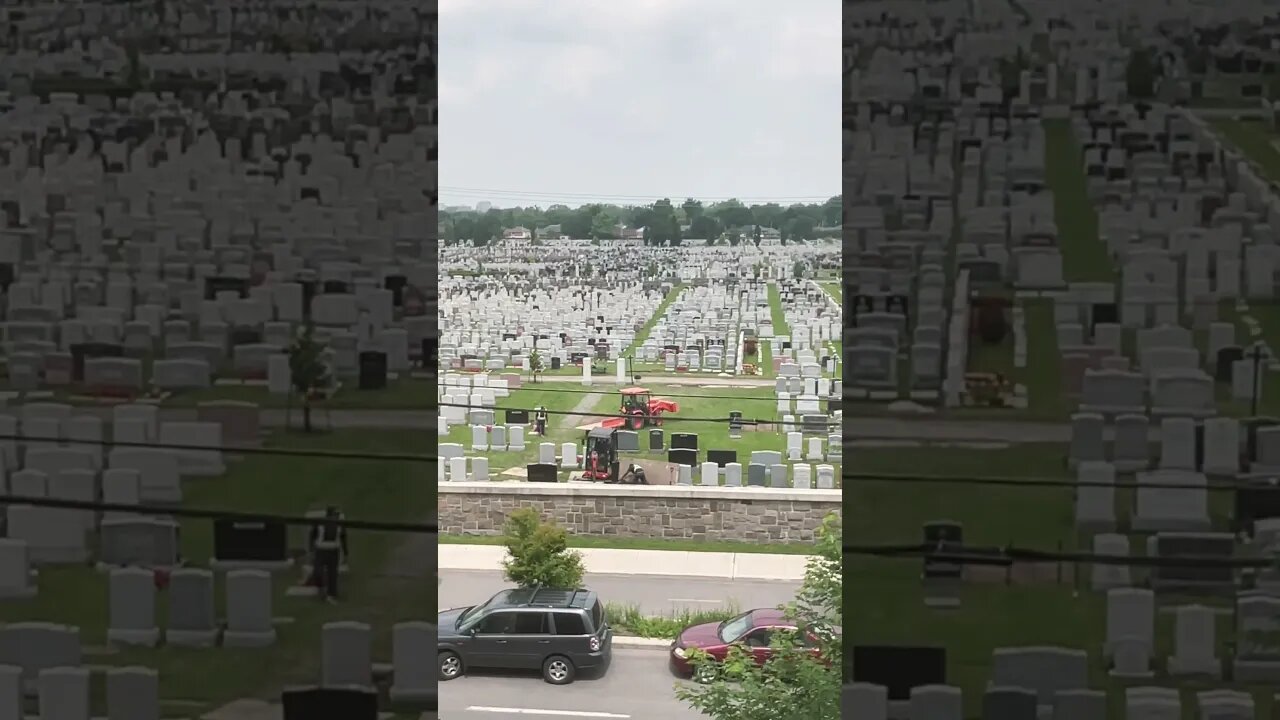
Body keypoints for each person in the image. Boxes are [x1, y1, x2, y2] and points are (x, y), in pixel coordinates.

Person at [312, 506, 348, 603]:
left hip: (333, 550)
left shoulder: (340, 524)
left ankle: (332, 593)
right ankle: (322, 588)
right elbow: (313, 535)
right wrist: (312, 550)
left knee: (332, 574)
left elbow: (343, 538)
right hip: (320, 549)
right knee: (318, 571)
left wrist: (345, 553)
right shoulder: (319, 523)